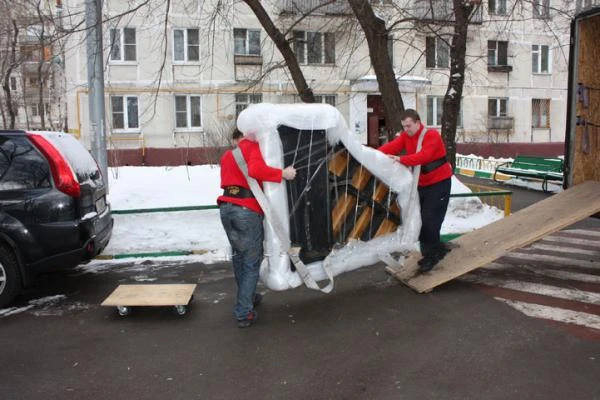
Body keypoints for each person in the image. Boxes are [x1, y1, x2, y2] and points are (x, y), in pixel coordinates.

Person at [217, 129, 296, 328]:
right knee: (252, 260)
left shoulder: (228, 155)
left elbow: (228, 180)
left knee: (239, 255)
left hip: (226, 208)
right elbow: (256, 171)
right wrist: (283, 173)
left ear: (236, 138)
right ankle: (244, 312)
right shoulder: (252, 147)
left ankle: (248, 296)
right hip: (246, 210)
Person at [378, 109, 453, 273]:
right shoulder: (406, 136)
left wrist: (401, 159)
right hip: (421, 184)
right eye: (404, 126)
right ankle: (436, 248)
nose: (406, 130)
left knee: (430, 220)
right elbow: (392, 147)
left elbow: (423, 156)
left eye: (409, 126)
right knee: (420, 220)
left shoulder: (431, 135)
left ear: (418, 123)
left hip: (439, 183)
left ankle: (432, 256)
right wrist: (371, 154)